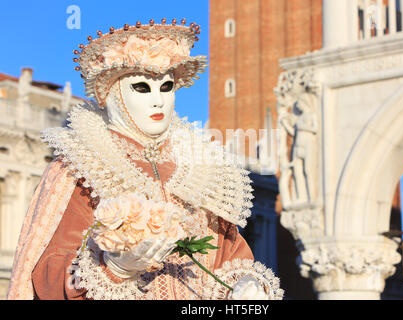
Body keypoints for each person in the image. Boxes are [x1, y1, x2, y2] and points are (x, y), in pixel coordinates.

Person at [7, 18, 283, 300]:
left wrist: (244, 286)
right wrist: (111, 268)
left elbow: (231, 257)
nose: (158, 101)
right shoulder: (81, 165)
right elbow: (47, 274)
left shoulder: (203, 170)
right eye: (141, 87)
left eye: (166, 87)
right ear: (113, 94)